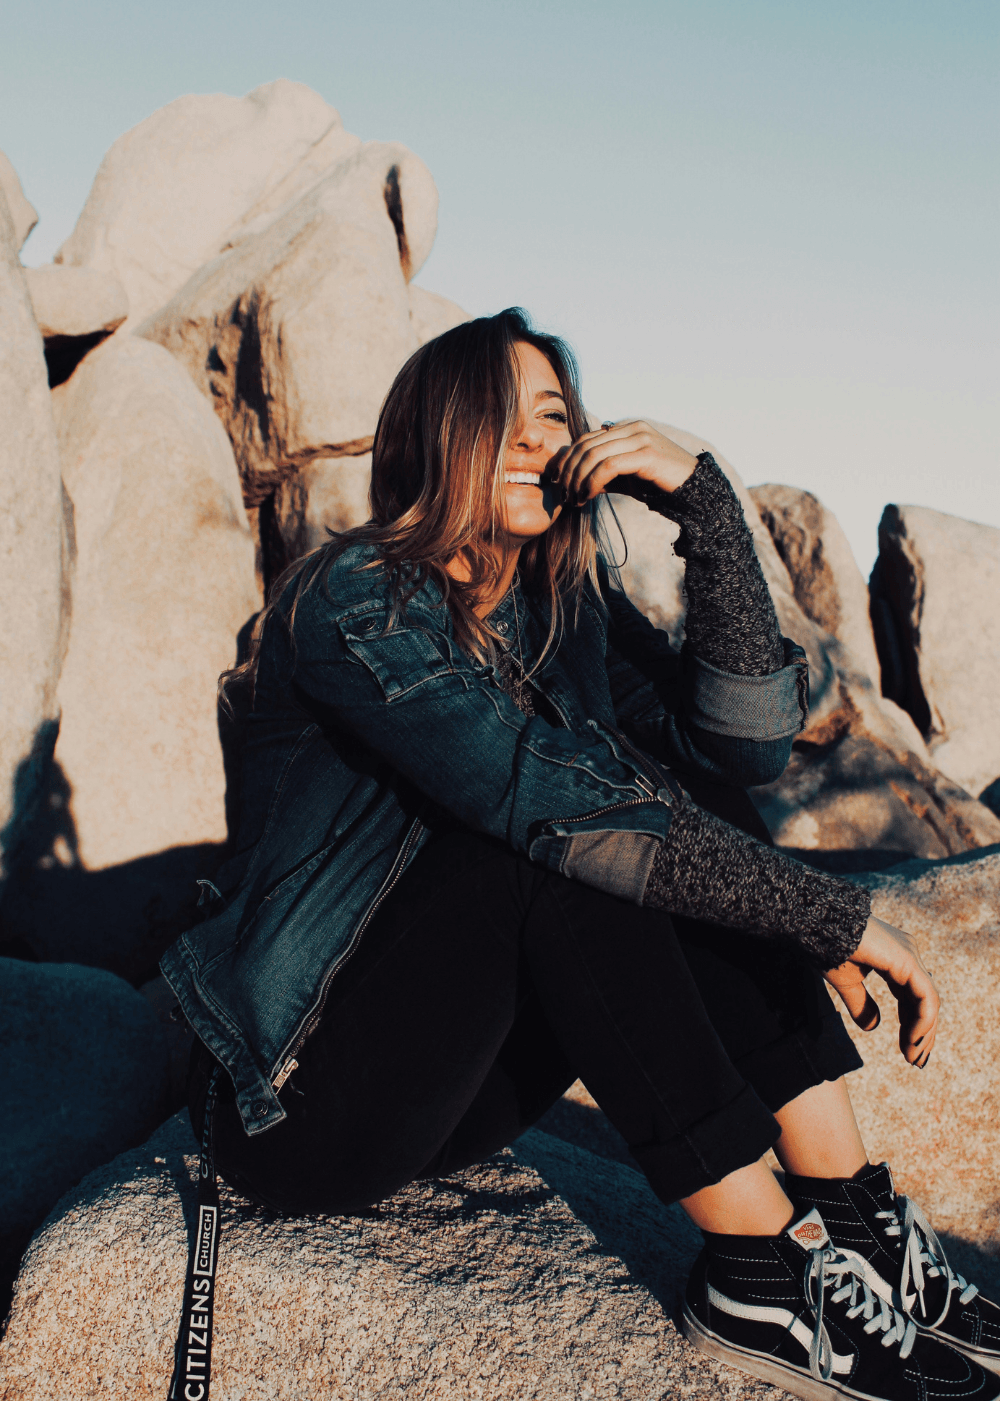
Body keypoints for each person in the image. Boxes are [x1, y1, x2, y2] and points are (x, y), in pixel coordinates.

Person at [163, 308, 999, 1401]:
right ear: (434, 438)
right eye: (496, 415)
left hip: (460, 1083)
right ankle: (758, 1267)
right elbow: (544, 802)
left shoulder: (565, 613)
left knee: (679, 799)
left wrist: (708, 510)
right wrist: (826, 917)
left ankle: (853, 1218)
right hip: (303, 1097)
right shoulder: (356, 598)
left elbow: (744, 749)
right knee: (558, 842)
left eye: (553, 416)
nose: (532, 440)